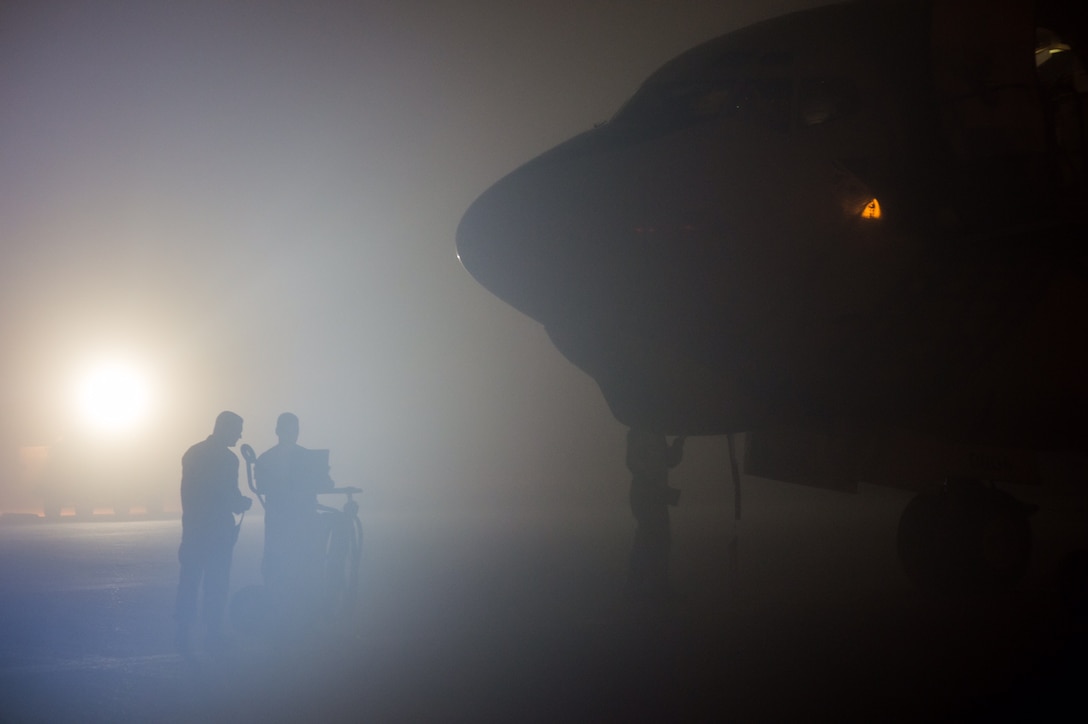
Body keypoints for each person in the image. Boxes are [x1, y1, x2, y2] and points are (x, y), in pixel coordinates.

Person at [174, 411, 252, 652]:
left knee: (189, 582)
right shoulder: (229, 460)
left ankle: (182, 632)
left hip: (194, 530)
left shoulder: (193, 453)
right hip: (218, 532)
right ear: (225, 428)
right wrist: (242, 504)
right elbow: (227, 496)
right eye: (237, 430)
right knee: (216, 584)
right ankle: (213, 634)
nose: (240, 436)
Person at [255, 412, 334, 617]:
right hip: (301, 521)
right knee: (304, 564)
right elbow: (326, 484)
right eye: (293, 429)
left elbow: (261, 487)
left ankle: (280, 609)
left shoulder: (265, 458)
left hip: (279, 521)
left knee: (279, 565)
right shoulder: (309, 458)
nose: (294, 433)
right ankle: (303, 610)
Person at [625, 428, 685, 599]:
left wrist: (679, 442)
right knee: (653, 539)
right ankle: (649, 586)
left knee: (653, 540)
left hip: (654, 494)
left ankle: (642, 585)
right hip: (645, 495)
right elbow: (632, 462)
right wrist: (652, 480)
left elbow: (670, 460)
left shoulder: (656, 434)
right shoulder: (637, 433)